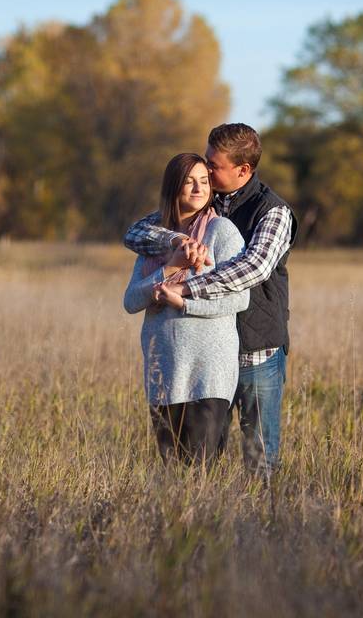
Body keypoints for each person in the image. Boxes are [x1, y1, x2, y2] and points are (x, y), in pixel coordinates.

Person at [124, 124, 298, 476]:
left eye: (213, 166)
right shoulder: (205, 199)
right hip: (206, 352)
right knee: (203, 457)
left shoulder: (272, 211)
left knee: (259, 458)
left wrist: (186, 289)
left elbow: (253, 268)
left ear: (243, 170)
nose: (205, 171)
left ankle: (265, 524)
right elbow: (136, 233)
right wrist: (176, 243)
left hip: (255, 348)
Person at [123, 153, 249, 469]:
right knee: (172, 471)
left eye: (204, 181)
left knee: (200, 471)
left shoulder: (223, 232)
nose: (198, 188)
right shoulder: (156, 240)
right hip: (164, 366)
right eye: (189, 181)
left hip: (208, 371)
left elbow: (239, 300)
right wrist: (169, 268)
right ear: (173, 187)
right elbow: (131, 301)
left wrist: (184, 302)